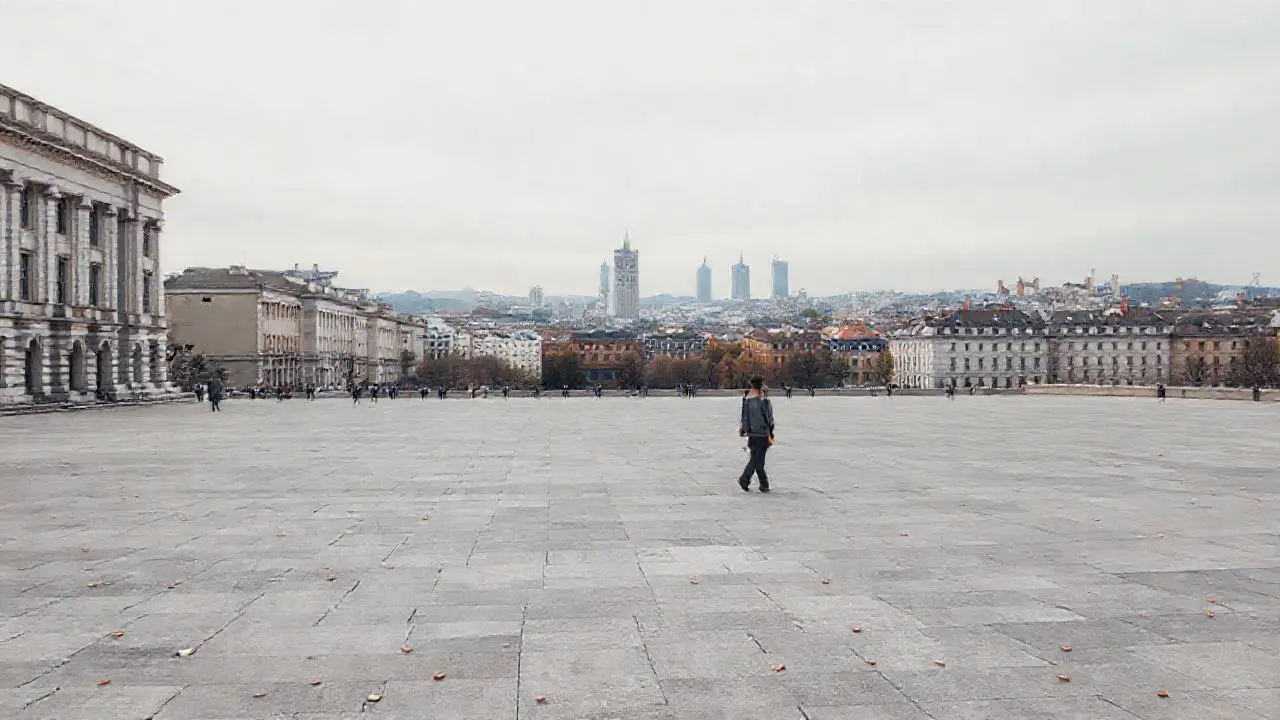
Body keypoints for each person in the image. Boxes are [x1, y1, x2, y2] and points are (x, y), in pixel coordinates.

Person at [738, 376, 775, 493]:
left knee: (758, 460)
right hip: (763, 433)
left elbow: (744, 417)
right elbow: (769, 419)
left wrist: (743, 430)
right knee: (756, 460)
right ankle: (744, 478)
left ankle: (764, 484)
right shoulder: (764, 401)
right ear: (761, 385)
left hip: (752, 434)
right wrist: (771, 431)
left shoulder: (747, 400)